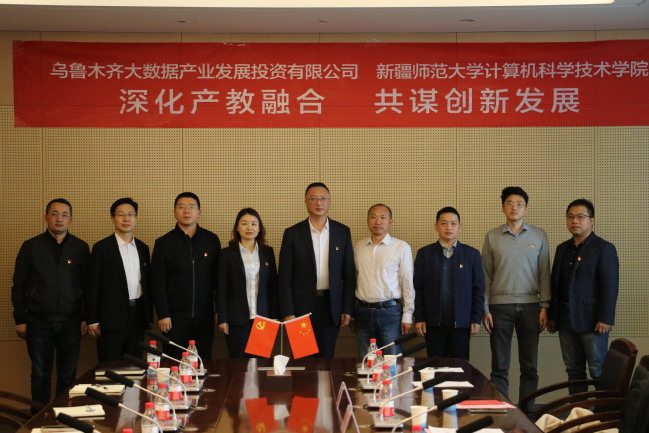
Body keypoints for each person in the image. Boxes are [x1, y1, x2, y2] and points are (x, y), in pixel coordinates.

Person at [11, 198, 90, 405]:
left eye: (64, 215)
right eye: (54, 214)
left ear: (71, 220)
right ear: (46, 217)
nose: (59, 219)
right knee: (40, 374)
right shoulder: (31, 246)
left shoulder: (80, 248)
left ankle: (62, 417)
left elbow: (87, 286)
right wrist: (20, 319)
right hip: (38, 321)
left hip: (71, 322)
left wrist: (86, 317)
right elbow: (19, 285)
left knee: (68, 375)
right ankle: (39, 417)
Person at [482, 186, 550, 412]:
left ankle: (527, 413)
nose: (514, 207)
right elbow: (485, 275)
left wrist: (544, 306)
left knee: (529, 366)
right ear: (503, 207)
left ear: (526, 208)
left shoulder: (539, 235)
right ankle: (501, 412)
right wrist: (484, 307)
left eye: (519, 203)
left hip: (531, 307)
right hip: (498, 307)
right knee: (499, 366)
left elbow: (544, 273)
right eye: (509, 203)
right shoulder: (492, 236)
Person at [547, 199, 619, 394]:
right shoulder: (562, 248)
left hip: (593, 321)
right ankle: (578, 410)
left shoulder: (603, 248)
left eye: (580, 216)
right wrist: (553, 316)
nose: (575, 221)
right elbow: (555, 284)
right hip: (565, 319)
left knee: (598, 370)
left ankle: (604, 411)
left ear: (592, 220)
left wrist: (606, 318)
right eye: (570, 217)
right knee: (573, 370)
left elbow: (610, 286)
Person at [278, 182, 355, 358]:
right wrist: (288, 312)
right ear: (306, 202)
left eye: (323, 198)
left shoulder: (342, 232)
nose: (319, 203)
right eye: (313, 199)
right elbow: (284, 277)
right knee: (303, 359)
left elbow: (349, 275)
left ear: (329, 201)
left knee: (326, 359)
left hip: (331, 306)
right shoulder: (292, 233)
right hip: (300, 308)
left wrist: (347, 308)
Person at [151, 192, 221, 360]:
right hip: (174, 318)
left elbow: (218, 279)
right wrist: (163, 314)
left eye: (191, 207)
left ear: (199, 212)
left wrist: (219, 310)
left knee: (203, 361)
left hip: (205, 316)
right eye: (181, 207)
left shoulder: (211, 240)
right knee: (174, 361)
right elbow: (157, 282)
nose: (186, 211)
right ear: (174, 212)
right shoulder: (164, 243)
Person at [414, 206, 485, 360]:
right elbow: (418, 289)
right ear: (436, 226)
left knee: (460, 367)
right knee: (435, 367)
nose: (449, 227)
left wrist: (476, 318)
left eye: (453, 224)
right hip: (433, 323)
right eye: (444, 223)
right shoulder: (424, 254)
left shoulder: (471, 254)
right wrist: (419, 317)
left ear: (460, 227)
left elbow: (478, 289)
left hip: (461, 324)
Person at [86, 198, 152, 362]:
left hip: (137, 316)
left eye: (130, 214)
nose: (126, 219)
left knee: (135, 365)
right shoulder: (101, 248)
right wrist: (92, 319)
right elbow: (92, 285)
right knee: (110, 364)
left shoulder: (143, 248)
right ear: (112, 219)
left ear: (136, 218)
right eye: (121, 214)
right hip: (110, 318)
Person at [352, 204, 414, 357]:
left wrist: (407, 314)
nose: (378, 221)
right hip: (363, 312)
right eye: (373, 217)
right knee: (366, 361)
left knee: (392, 361)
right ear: (367, 221)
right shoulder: (359, 247)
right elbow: (352, 280)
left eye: (382, 217)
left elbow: (407, 282)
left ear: (390, 222)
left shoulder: (401, 247)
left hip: (390, 313)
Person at [217, 208, 278, 358]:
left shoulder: (267, 252)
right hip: (237, 318)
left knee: (261, 362)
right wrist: (223, 318)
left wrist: (274, 316)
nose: (249, 227)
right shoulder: (227, 254)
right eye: (244, 223)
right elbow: (221, 289)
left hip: (263, 318)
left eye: (254, 224)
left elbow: (273, 287)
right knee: (239, 363)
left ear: (259, 228)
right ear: (237, 228)